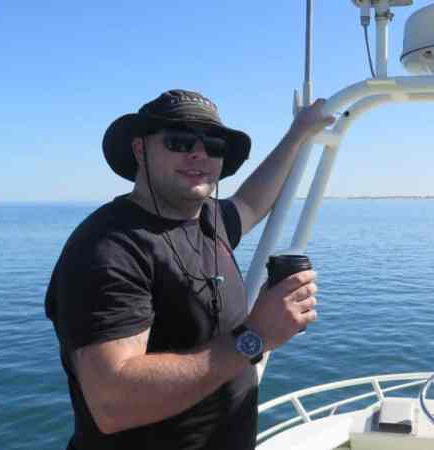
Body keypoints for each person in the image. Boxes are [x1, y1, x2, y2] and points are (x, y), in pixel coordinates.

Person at [45, 89, 334, 450]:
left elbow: (250, 202)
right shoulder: (108, 249)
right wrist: (256, 335)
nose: (199, 153)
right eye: (179, 141)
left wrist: (297, 133)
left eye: (213, 145)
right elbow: (112, 402)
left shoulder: (208, 219)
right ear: (140, 149)